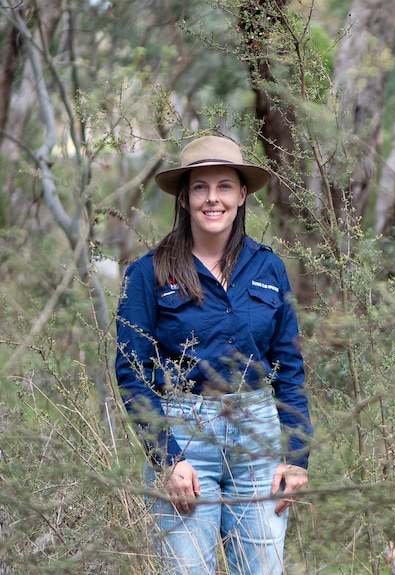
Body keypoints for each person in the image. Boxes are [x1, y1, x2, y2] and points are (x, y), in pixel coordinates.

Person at [115, 134, 312, 575]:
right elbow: (133, 373)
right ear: (184, 199)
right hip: (185, 434)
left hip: (259, 437)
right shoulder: (148, 273)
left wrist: (296, 456)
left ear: (242, 195)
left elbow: (290, 370)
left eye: (224, 186)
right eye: (201, 187)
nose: (212, 199)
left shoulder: (269, 268)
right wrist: (168, 459)